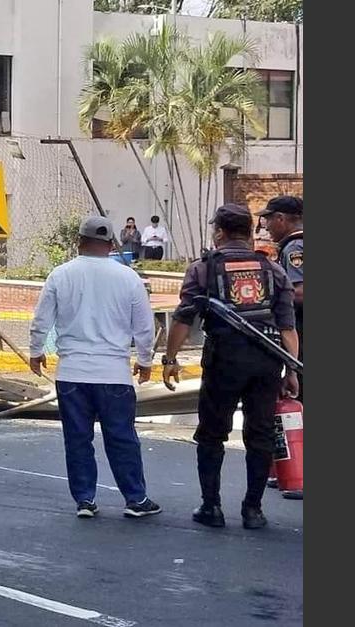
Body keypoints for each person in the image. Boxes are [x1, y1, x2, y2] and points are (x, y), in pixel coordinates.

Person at [162, 204, 299, 530]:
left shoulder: (204, 269)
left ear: (220, 232)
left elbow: (184, 318)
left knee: (212, 434)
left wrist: (169, 359)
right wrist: (291, 371)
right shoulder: (273, 269)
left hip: (224, 360)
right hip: (266, 361)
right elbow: (287, 327)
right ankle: (253, 511)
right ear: (249, 232)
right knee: (260, 433)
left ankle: (212, 507)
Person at [29, 216, 161, 519]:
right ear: (112, 244)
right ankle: (135, 499)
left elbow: (41, 321)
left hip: (72, 373)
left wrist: (36, 352)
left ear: (79, 242)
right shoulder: (128, 278)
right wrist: (145, 360)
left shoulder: (60, 275)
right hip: (114, 375)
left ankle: (85, 500)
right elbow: (143, 326)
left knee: (77, 439)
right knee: (122, 437)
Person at [258, 195, 303, 403]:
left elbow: (300, 292)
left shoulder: (295, 248)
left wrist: (271, 299)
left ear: (281, 218)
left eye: (268, 219)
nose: (266, 227)